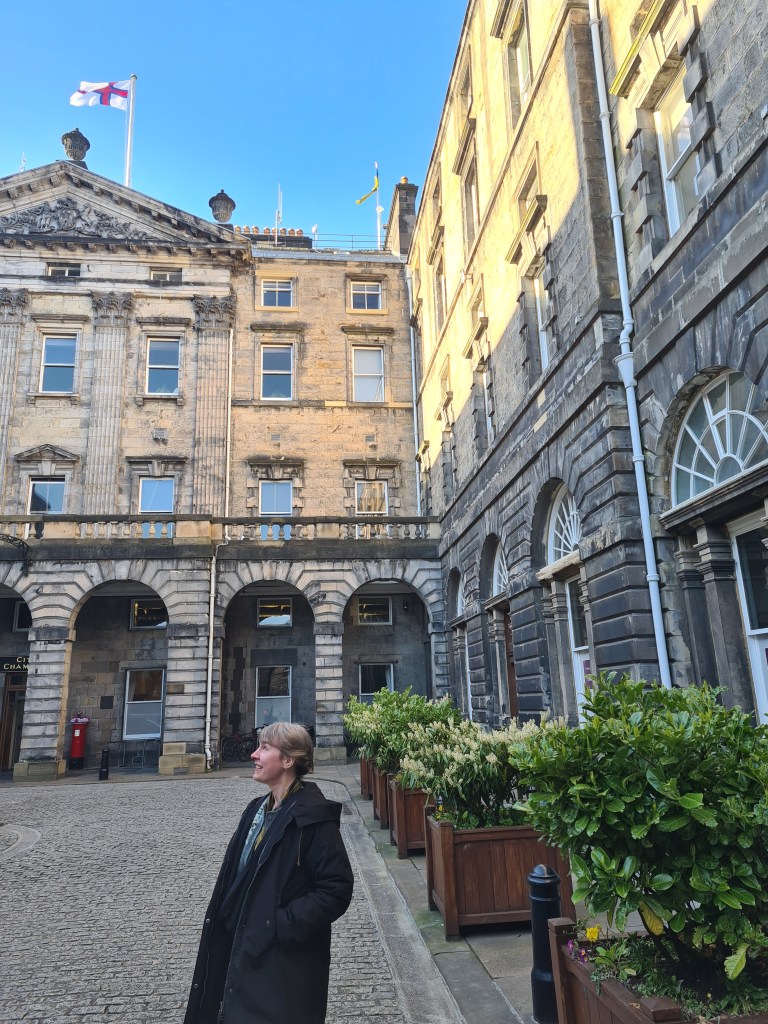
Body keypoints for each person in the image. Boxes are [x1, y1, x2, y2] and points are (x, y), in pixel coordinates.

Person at [184, 722, 354, 1024]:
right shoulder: (255, 810)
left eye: (264, 748)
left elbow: (336, 889)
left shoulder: (313, 819)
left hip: (282, 961)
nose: (253, 755)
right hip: (244, 948)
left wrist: (279, 924)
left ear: (287, 760)